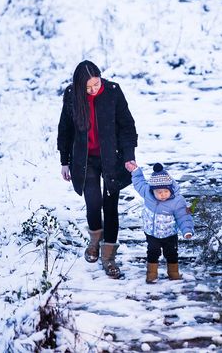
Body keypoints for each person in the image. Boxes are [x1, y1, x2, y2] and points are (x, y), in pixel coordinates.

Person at [57, 60, 138, 279]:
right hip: (85, 160)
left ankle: (109, 256)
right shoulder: (72, 95)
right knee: (93, 203)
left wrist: (129, 157)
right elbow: (64, 129)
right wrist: (65, 161)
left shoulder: (112, 91)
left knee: (110, 205)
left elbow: (127, 126)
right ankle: (95, 240)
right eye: (88, 87)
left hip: (112, 158)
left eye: (96, 84)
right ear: (80, 85)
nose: (93, 90)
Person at [126, 162, 194, 283]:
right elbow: (139, 183)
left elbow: (184, 216)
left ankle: (173, 272)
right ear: (153, 191)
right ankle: (151, 273)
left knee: (171, 253)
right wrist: (135, 171)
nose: (163, 195)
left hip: (170, 234)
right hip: (152, 233)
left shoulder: (177, 201)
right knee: (152, 252)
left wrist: (187, 230)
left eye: (165, 192)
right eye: (159, 192)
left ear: (170, 189)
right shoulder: (147, 193)